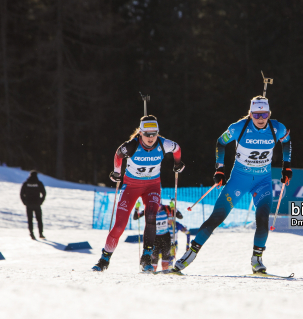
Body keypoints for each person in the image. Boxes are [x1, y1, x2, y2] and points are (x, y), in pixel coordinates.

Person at [172, 96, 292, 274]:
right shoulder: (238, 128)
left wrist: (286, 166)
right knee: (217, 218)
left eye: (264, 114)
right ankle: (190, 254)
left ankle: (257, 260)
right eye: (256, 114)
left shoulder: (277, 128)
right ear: (250, 114)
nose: (260, 118)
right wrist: (220, 170)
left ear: (269, 114)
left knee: (263, 220)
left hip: (263, 182)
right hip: (239, 181)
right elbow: (220, 142)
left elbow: (287, 141)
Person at [92, 115, 185, 272]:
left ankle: (146, 257)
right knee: (120, 225)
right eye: (147, 134)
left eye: (154, 134)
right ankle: (104, 258)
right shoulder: (131, 146)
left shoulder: (164, 144)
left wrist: (178, 164)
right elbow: (118, 154)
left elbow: (177, 149)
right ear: (140, 133)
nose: (150, 138)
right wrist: (116, 173)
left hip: (152, 186)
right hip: (131, 187)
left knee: (151, 217)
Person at [133, 201, 190, 271]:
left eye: (158, 205)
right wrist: (136, 208)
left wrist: (174, 208)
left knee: (166, 259)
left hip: (166, 237)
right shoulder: (149, 209)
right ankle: (152, 272)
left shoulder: (167, 208)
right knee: (154, 260)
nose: (157, 208)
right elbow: (136, 217)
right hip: (155, 238)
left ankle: (165, 273)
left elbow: (180, 216)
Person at [20, 170, 46, 240]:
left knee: (30, 220)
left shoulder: (26, 183)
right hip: (37, 204)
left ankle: (32, 234)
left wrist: (25, 202)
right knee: (39, 219)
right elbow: (44, 193)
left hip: (29, 204)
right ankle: (41, 234)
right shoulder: (39, 183)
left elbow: (21, 194)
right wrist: (41, 201)